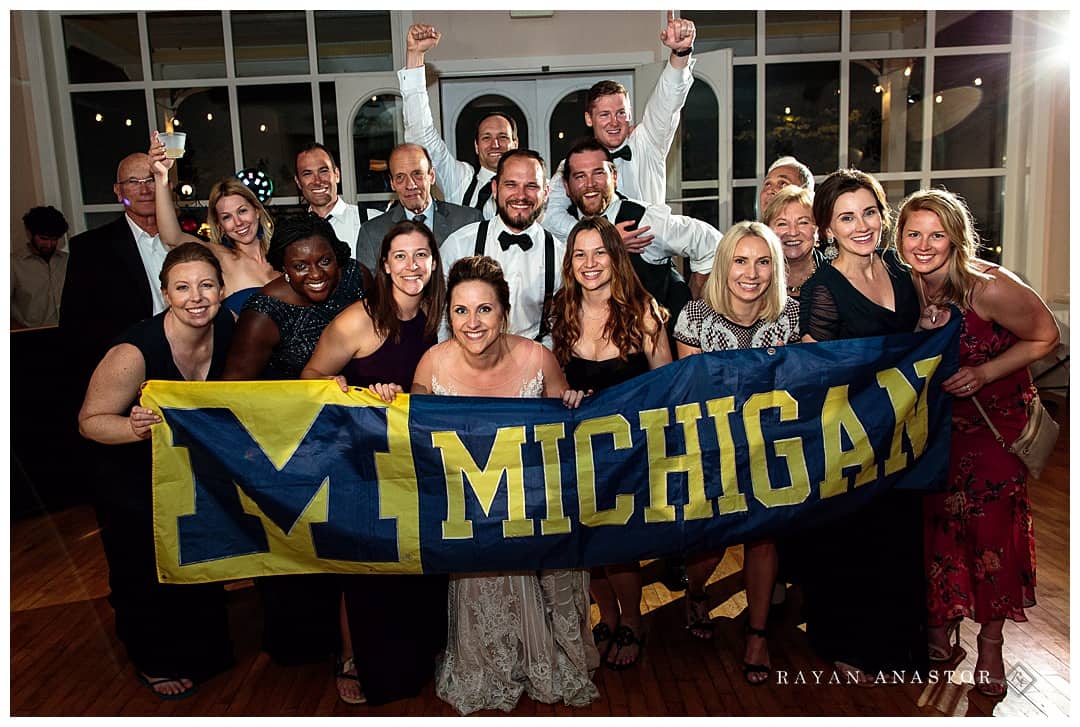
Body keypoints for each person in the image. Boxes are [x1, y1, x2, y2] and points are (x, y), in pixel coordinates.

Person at [408, 255, 596, 715]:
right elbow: (408, 437)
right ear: (448, 315)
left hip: (536, 504)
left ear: (505, 313)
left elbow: (566, 437)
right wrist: (389, 399)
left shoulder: (538, 358)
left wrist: (572, 400)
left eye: (484, 309)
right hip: (474, 515)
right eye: (460, 311)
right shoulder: (432, 364)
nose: (472, 322)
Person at [898, 188, 1058, 697]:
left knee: (992, 538)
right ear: (898, 238)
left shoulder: (987, 287)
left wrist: (985, 370)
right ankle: (943, 625)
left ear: (956, 239)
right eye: (913, 233)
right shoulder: (902, 288)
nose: (924, 245)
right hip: (935, 432)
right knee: (938, 534)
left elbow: (1046, 336)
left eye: (936, 235)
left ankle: (991, 641)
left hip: (994, 431)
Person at [299, 219, 449, 705]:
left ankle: (421, 650)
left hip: (423, 463)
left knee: (420, 565)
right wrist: (354, 392)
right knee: (363, 569)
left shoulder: (442, 313)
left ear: (433, 262)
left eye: (421, 255)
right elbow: (310, 379)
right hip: (363, 464)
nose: (411, 265)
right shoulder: (356, 320)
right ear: (384, 265)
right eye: (400, 256)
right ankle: (351, 656)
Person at [77, 242, 236, 699]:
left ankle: (201, 647)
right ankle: (151, 659)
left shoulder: (228, 327)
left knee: (196, 559)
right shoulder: (133, 351)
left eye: (207, 285)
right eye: (183, 287)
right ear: (165, 292)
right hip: (128, 478)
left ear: (222, 290)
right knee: (141, 571)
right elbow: (89, 422)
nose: (196, 297)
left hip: (189, 475)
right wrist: (132, 427)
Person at [221, 214, 365, 683]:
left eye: (324, 261)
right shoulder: (264, 313)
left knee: (361, 547)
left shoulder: (358, 281)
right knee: (305, 555)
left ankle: (361, 640)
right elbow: (233, 393)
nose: (316, 274)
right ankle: (311, 647)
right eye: (300, 267)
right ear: (281, 267)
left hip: (361, 439)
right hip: (294, 448)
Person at [797, 168, 926, 683]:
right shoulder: (823, 288)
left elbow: (910, 338)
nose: (862, 225)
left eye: (869, 212)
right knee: (853, 542)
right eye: (846, 217)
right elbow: (812, 367)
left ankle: (899, 641)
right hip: (850, 439)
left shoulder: (899, 270)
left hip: (902, 432)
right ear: (827, 229)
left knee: (898, 539)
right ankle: (847, 643)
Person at [672, 221, 799, 684]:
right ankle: (696, 592)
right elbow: (687, 394)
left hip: (772, 446)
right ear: (724, 267)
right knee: (710, 542)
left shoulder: (791, 317)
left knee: (763, 539)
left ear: (775, 268)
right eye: (741, 261)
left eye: (763, 261)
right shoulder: (694, 318)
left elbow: (805, 385)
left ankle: (757, 633)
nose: (752, 272)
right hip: (713, 446)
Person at [549, 216, 671, 671]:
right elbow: (552, 382)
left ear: (616, 257)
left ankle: (633, 621)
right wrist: (566, 394)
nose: (590, 263)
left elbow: (665, 387)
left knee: (619, 545)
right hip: (577, 449)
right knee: (587, 543)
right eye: (579, 254)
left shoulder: (644, 312)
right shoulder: (559, 310)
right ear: (569, 262)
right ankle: (606, 615)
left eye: (599, 252)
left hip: (630, 451)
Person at [544, 11, 697, 242]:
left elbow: (667, 102)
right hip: (597, 264)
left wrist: (680, 53)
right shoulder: (573, 164)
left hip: (651, 260)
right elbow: (550, 216)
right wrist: (600, 237)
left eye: (620, 113)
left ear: (630, 115)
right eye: (604, 114)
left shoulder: (647, 142)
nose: (614, 122)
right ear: (589, 119)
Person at [562, 138, 717, 321]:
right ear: (567, 187)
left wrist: (689, 303)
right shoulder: (565, 227)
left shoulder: (644, 220)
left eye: (598, 173)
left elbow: (711, 243)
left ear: (614, 176)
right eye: (580, 176)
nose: (590, 184)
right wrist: (612, 243)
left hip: (653, 342)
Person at [60, 152, 171, 393]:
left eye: (151, 179)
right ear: (118, 192)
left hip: (192, 371)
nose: (144, 190)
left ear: (165, 185)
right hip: (126, 378)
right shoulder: (90, 248)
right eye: (133, 182)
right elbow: (75, 328)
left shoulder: (188, 244)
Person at [440, 149, 564, 342]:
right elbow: (442, 318)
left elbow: (559, 327)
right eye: (511, 184)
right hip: (469, 363)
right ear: (495, 188)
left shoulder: (560, 255)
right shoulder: (459, 244)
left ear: (546, 192)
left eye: (531, 186)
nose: (521, 195)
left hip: (532, 363)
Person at [150, 130, 278, 314]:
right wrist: (161, 178)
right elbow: (172, 236)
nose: (238, 222)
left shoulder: (283, 256)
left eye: (242, 211)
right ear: (220, 226)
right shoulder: (220, 257)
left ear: (257, 211)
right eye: (227, 217)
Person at [399, 23, 519, 218]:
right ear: (476, 146)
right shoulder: (460, 181)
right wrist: (415, 56)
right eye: (486, 138)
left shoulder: (535, 185)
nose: (495, 144)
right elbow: (421, 135)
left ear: (516, 143)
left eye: (503, 137)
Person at [354, 143, 482, 271]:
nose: (410, 185)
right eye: (400, 177)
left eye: (417, 174)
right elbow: (371, 289)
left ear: (431, 176)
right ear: (392, 183)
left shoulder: (468, 221)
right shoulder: (372, 234)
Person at [294, 142, 381, 253]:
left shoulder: (373, 221)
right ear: (298, 182)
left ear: (337, 175)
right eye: (307, 174)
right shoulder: (293, 234)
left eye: (323, 171)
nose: (317, 181)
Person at [762, 184, 823, 301]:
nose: (792, 232)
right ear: (767, 231)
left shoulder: (837, 277)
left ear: (817, 229)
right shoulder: (753, 278)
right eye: (782, 224)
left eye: (803, 222)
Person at [12, 205, 70, 328]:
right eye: (43, 239)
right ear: (29, 233)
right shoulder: (13, 264)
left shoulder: (68, 261)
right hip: (30, 337)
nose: (49, 244)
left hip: (69, 333)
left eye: (54, 239)